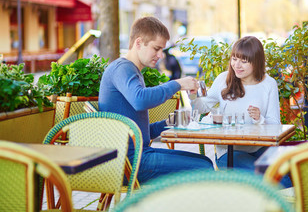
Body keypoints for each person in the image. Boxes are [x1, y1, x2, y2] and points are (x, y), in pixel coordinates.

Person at [99, 16, 213, 183]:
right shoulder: (122, 68)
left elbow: (142, 132)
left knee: (205, 162)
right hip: (127, 162)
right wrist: (178, 83)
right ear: (138, 43)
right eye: (156, 48)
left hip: (136, 156)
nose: (160, 55)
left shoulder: (131, 71)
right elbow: (140, 100)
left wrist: (172, 121)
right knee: (203, 168)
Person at [192, 36, 280, 169]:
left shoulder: (269, 84)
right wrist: (192, 95)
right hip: (229, 152)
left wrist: (259, 118)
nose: (236, 65)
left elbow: (275, 126)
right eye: (234, 59)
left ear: (256, 62)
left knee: (285, 176)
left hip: (260, 149)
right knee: (263, 176)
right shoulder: (223, 79)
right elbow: (202, 107)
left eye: (243, 61)